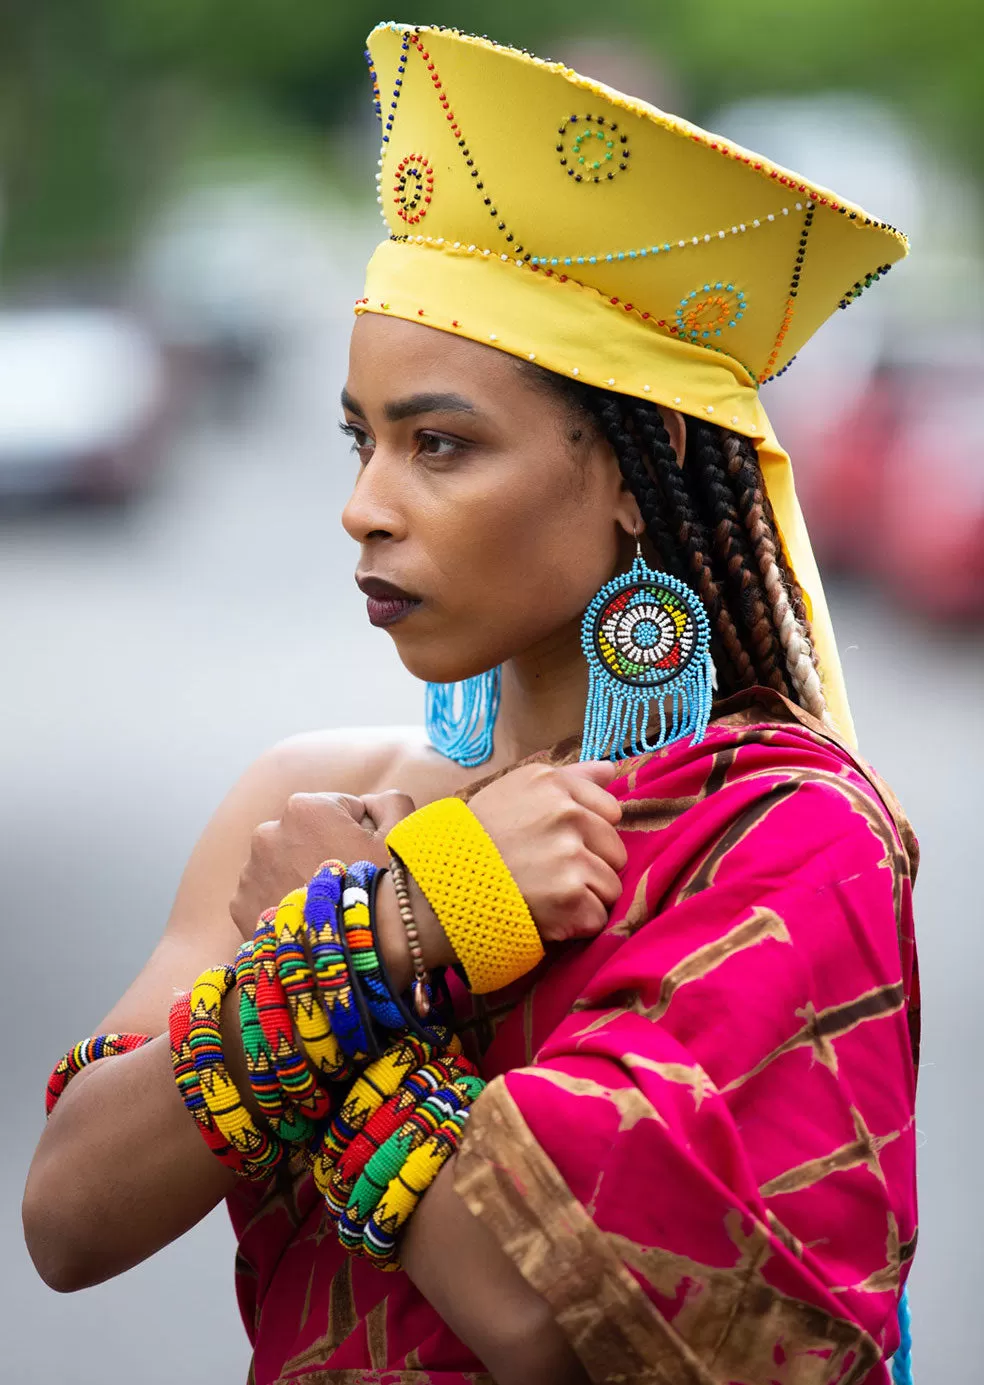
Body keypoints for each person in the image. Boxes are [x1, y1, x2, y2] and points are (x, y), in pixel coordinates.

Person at [23, 23, 918, 1385]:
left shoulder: (785, 835)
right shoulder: (300, 802)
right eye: (360, 438)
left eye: (440, 444)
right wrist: (387, 923)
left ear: (641, 462)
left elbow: (556, 1320)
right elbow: (71, 1215)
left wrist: (346, 970)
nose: (364, 506)